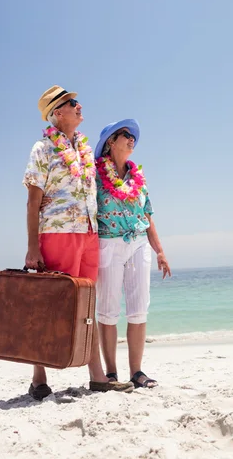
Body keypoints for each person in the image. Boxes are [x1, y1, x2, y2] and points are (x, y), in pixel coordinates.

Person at [23, 86, 134, 399]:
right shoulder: (42, 148)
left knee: (87, 305)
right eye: (72, 103)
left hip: (88, 233)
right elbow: (33, 202)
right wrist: (33, 247)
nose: (79, 105)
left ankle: (97, 375)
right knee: (50, 304)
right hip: (57, 233)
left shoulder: (85, 152)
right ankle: (38, 375)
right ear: (58, 113)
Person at [94, 119, 171, 388]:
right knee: (107, 311)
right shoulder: (94, 175)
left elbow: (147, 216)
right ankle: (111, 373)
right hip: (108, 245)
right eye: (126, 135)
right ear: (110, 142)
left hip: (138, 243)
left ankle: (137, 372)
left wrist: (159, 251)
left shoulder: (139, 178)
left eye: (133, 137)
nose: (132, 140)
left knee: (139, 310)